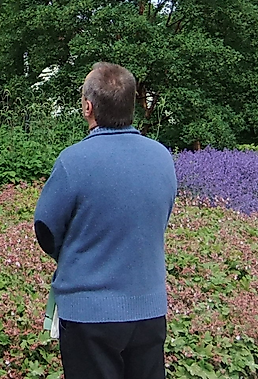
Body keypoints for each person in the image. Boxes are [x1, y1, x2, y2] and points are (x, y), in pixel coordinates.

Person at [34, 62, 178, 379]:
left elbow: (45, 229)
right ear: (132, 105)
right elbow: (159, 217)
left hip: (89, 314)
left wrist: (75, 252)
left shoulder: (73, 161)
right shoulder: (161, 157)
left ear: (88, 106)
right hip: (149, 308)